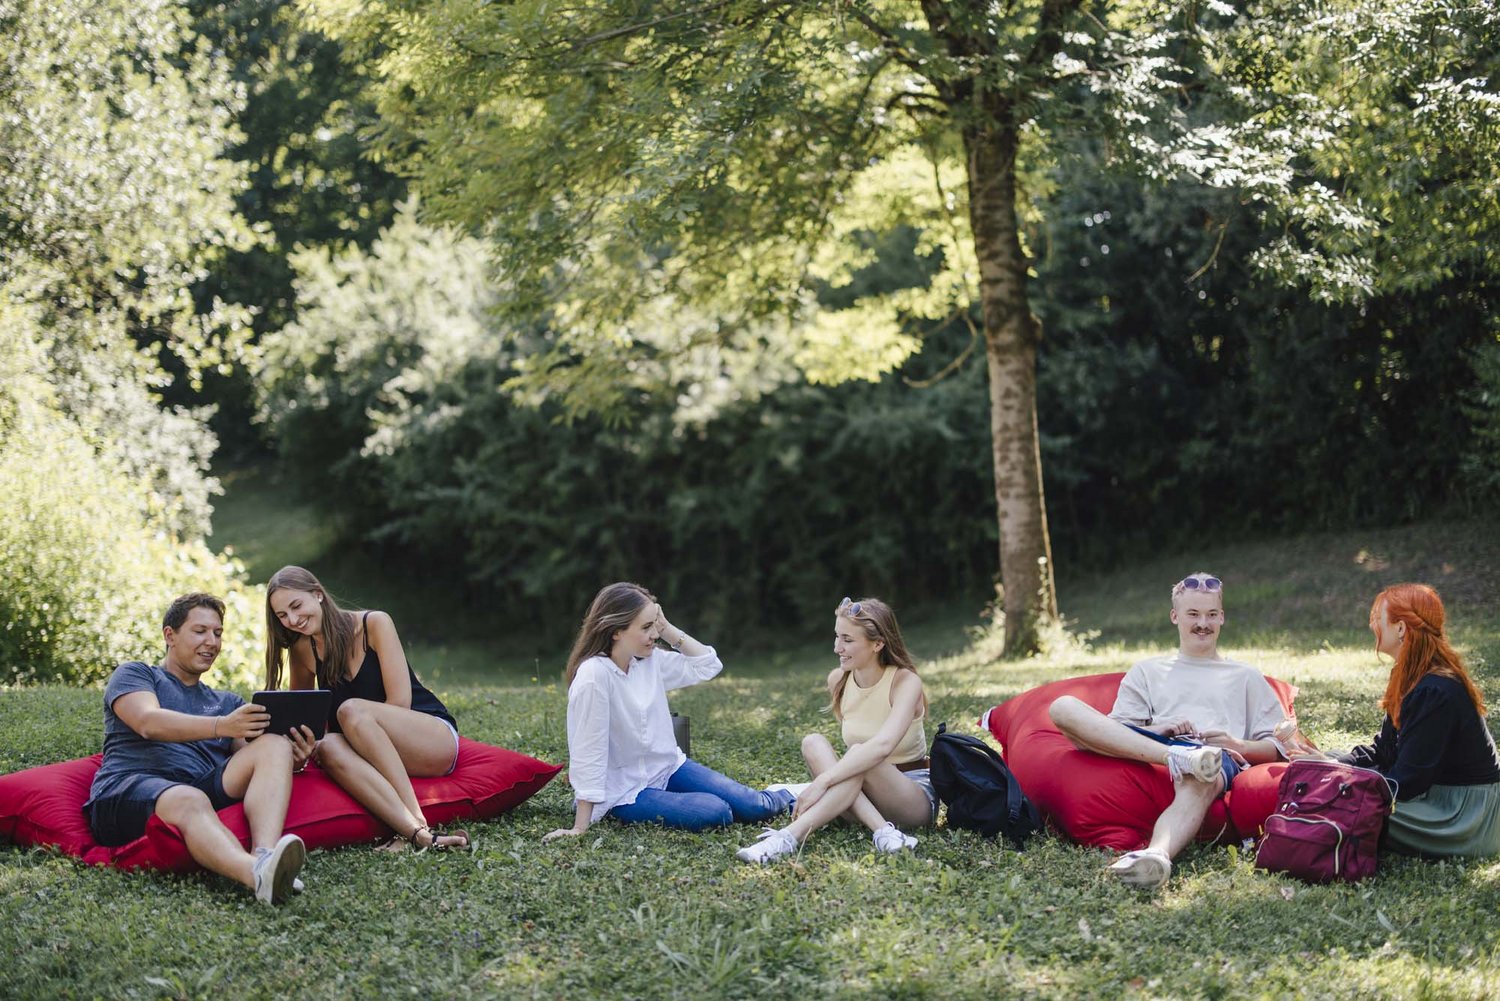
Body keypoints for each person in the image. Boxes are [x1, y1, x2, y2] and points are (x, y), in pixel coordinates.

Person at [1048, 572, 1288, 889]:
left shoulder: (1245, 676)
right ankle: (1176, 756)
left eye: (1211, 615)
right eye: (1193, 614)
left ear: (1222, 618)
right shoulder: (1148, 670)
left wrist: (1235, 743)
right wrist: (1159, 728)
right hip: (1158, 745)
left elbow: (1277, 749)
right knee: (1062, 707)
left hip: (1211, 755)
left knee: (1202, 771)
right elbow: (1115, 729)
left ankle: (1156, 856)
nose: (1203, 623)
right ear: (1175, 616)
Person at [83, 593, 309, 904]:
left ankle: (266, 855)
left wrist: (292, 755)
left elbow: (255, 757)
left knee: (273, 745)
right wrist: (221, 726)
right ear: (170, 635)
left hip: (198, 788)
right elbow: (148, 721)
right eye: (200, 631)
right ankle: (256, 874)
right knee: (189, 798)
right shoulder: (137, 674)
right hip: (127, 791)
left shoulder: (226, 702)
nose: (212, 642)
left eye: (218, 633)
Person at [543, 582, 794, 839]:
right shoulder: (594, 676)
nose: (655, 634)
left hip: (666, 768)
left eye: (655, 625)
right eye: (646, 627)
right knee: (716, 811)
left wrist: (667, 629)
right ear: (616, 631)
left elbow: (708, 666)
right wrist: (580, 827)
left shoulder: (647, 661)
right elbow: (588, 750)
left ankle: (804, 795)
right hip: (623, 791)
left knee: (754, 806)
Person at [264, 565, 468, 851]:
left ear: (318, 595)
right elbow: (305, 717)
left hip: (429, 737)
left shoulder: (374, 624)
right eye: (282, 616)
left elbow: (400, 704)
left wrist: (356, 728)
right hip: (367, 747)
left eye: (297, 606)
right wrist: (302, 745)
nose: (293, 620)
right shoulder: (302, 650)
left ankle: (419, 822)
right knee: (327, 746)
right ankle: (413, 833)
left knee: (350, 711)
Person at [1290, 583, 1500, 857]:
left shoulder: (1436, 689)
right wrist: (1332, 764)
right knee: (1328, 765)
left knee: (1339, 803)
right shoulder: (1409, 676)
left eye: (1378, 618)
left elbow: (1408, 780)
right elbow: (1384, 751)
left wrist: (1340, 780)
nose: (1372, 625)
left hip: (1464, 815)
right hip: (1432, 794)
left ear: (1401, 628)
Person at [735, 596, 935, 864]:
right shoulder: (838, 680)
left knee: (859, 753)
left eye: (848, 640)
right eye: (837, 637)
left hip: (910, 797)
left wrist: (822, 782)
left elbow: (883, 747)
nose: (837, 648)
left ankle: (787, 837)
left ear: (878, 643)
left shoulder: (905, 681)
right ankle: (883, 832)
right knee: (813, 742)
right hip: (860, 798)